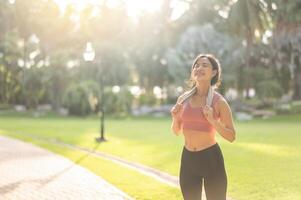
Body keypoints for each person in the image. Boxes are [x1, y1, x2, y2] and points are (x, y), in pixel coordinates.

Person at [170, 54, 236, 200]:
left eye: (204, 65)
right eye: (196, 65)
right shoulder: (183, 99)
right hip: (188, 160)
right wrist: (175, 118)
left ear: (213, 72)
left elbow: (231, 136)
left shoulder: (219, 102)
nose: (199, 68)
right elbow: (176, 131)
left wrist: (213, 120)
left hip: (211, 159)